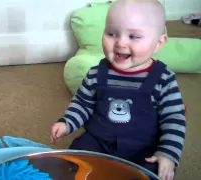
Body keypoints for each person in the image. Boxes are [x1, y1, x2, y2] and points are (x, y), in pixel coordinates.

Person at [51, 0, 186, 180]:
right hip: (100, 141)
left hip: (144, 147)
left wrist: (168, 154)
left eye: (134, 36)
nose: (120, 43)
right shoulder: (96, 73)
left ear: (158, 43)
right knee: (74, 157)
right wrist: (67, 122)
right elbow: (82, 103)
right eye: (111, 33)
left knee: (158, 170)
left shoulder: (164, 78)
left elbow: (174, 119)